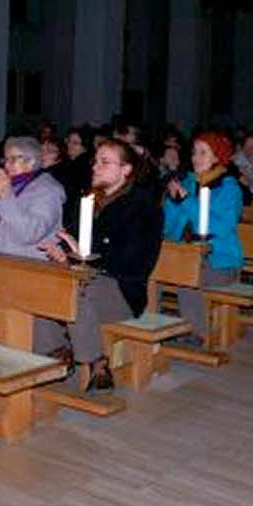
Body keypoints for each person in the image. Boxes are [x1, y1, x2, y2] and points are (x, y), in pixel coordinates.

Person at [36, 139, 163, 393]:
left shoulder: (142, 206)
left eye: (105, 162)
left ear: (126, 170)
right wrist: (61, 252)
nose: (95, 167)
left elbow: (131, 260)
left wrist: (83, 256)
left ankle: (97, 362)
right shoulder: (87, 200)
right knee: (44, 288)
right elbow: (72, 238)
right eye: (96, 161)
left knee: (75, 293)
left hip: (122, 289)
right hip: (86, 280)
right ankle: (57, 355)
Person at [163, 132, 243, 345]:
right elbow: (170, 230)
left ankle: (196, 331)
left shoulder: (229, 188)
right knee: (153, 265)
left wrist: (187, 201)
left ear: (217, 157)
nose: (195, 158)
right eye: (194, 152)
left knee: (188, 275)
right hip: (187, 255)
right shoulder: (188, 182)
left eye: (203, 153)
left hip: (219, 262)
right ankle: (148, 324)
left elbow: (220, 227)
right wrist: (171, 202)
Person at [0, 137, 64, 261]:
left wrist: (5, 197)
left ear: (32, 161)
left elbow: (30, 234)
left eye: (13, 159)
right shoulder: (5, 183)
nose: (6, 165)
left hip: (27, 265)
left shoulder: (48, 190)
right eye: (6, 159)